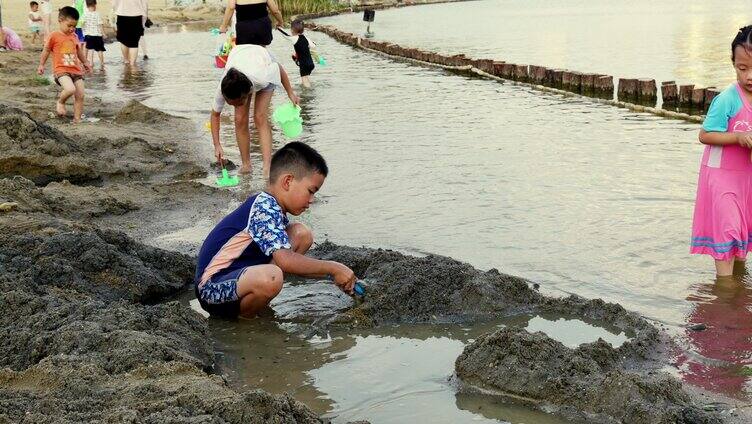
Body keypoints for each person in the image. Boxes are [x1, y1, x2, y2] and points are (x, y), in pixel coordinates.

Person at [195, 142, 358, 318]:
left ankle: (258, 303)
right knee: (272, 277)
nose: (312, 200)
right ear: (287, 181)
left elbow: (289, 260)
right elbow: (286, 261)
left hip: (239, 277)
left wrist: (332, 276)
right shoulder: (264, 208)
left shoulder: (273, 206)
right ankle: (245, 317)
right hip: (211, 288)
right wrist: (334, 268)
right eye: (310, 191)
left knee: (301, 234)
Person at [691, 25, 752, 276]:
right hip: (722, 177)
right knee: (727, 235)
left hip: (746, 178)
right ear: (733, 64)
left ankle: (740, 294)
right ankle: (725, 294)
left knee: (742, 235)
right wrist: (737, 137)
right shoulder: (727, 98)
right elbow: (704, 135)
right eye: (743, 68)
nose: (750, 76)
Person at [209, 43, 299, 177]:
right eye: (231, 104)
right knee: (239, 119)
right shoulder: (224, 87)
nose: (235, 107)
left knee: (260, 117)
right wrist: (217, 145)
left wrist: (290, 92)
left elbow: (278, 68)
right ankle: (246, 165)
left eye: (238, 104)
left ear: (247, 94)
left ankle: (267, 167)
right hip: (241, 57)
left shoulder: (263, 77)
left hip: (263, 61)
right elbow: (215, 115)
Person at [37, 6, 91, 123]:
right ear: (60, 20)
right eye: (69, 25)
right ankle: (61, 102)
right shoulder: (54, 35)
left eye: (74, 26)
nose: (72, 29)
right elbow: (46, 50)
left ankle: (77, 119)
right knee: (70, 89)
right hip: (61, 70)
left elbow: (79, 51)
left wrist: (85, 62)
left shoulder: (75, 36)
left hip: (76, 70)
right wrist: (41, 65)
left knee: (80, 95)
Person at [218, 0, 284, 46]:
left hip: (245, 27)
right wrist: (280, 22)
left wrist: (224, 26)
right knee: (262, 50)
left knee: (246, 51)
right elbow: (275, 11)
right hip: (262, 26)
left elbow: (231, 7)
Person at [113, 0, 147, 66]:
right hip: (136, 15)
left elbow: (114, 3)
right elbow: (144, 3)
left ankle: (126, 61)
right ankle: (132, 65)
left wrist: (116, 10)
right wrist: (144, 19)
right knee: (134, 43)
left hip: (122, 14)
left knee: (123, 40)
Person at [288, 19, 316, 88]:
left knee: (304, 79)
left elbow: (285, 35)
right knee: (306, 78)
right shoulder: (305, 38)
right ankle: (308, 87)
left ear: (292, 30)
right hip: (311, 64)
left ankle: (308, 94)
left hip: (304, 64)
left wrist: (279, 28)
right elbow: (313, 45)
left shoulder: (294, 38)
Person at [83, 0, 105, 70]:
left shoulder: (85, 14)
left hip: (88, 35)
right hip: (97, 35)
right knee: (99, 50)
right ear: (95, 4)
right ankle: (102, 63)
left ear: (86, 6)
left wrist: (85, 32)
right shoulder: (97, 14)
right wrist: (103, 33)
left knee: (90, 49)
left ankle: (91, 63)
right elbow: (100, 25)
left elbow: (82, 24)